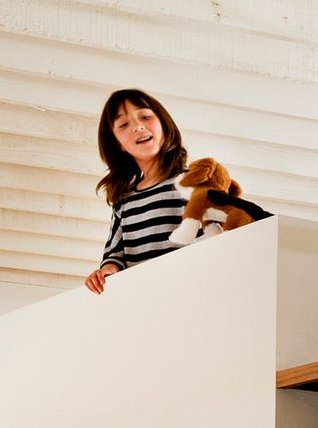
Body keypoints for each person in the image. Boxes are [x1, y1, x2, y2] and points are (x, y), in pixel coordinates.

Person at [85, 89, 221, 293]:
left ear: (163, 125)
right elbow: (116, 254)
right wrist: (107, 271)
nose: (137, 126)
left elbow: (217, 234)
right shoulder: (123, 200)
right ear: (118, 144)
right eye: (124, 124)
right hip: (145, 297)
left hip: (190, 290)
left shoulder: (193, 181)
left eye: (145, 116)